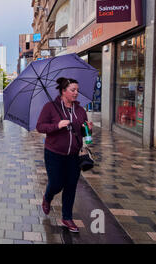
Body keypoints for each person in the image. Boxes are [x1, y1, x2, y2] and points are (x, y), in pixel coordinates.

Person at [36, 78, 93, 233]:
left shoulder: (80, 110)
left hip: (74, 155)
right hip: (54, 153)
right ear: (63, 91)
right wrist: (57, 125)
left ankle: (67, 218)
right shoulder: (50, 107)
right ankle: (47, 197)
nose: (76, 93)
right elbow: (40, 127)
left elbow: (82, 131)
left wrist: (87, 128)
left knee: (70, 186)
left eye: (77, 90)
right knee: (56, 183)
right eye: (72, 90)